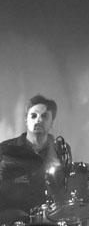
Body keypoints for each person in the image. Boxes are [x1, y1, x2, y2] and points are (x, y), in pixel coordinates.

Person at [0, 95, 65, 225]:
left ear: (52, 122)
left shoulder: (60, 150)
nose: (38, 120)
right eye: (33, 116)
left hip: (50, 218)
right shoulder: (6, 149)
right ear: (26, 120)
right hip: (12, 218)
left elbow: (65, 187)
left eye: (44, 116)